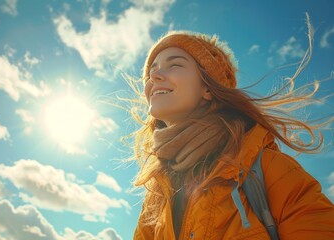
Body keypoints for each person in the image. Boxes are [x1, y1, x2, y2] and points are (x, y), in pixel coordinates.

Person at [130, 15, 334, 240]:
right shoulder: (156, 194)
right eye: (152, 71)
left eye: (174, 65)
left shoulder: (265, 169)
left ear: (208, 88)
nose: (155, 76)